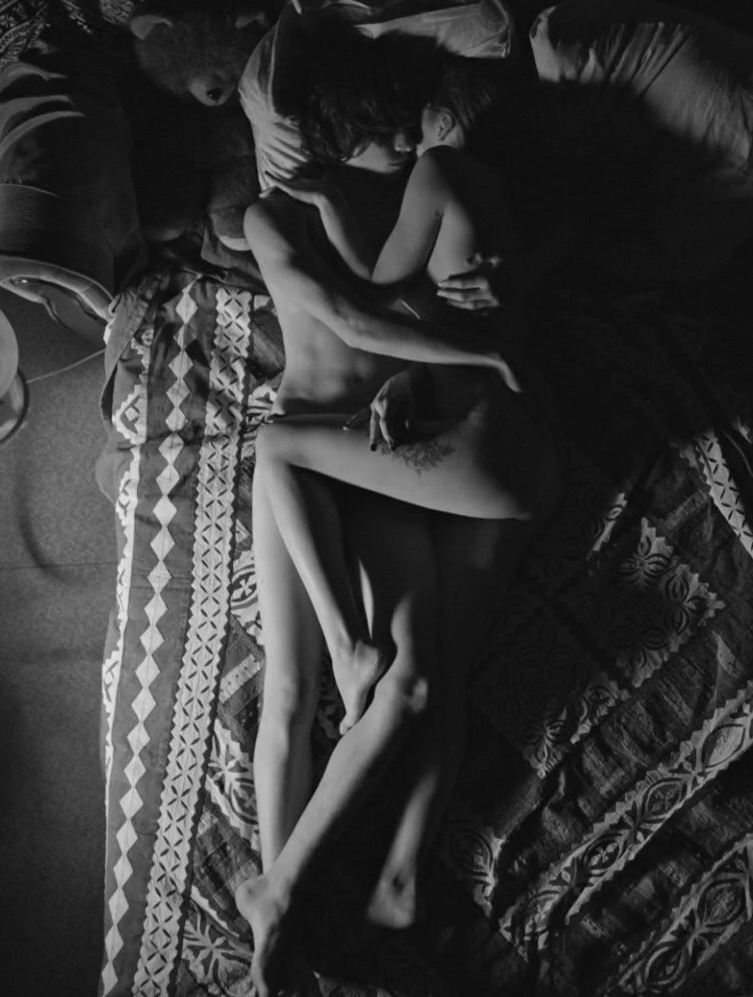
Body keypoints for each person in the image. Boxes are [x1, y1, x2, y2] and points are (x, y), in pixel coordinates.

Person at [234, 22, 560, 997]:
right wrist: (469, 345)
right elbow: (346, 314)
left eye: (418, 122)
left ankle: (295, 894)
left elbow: (443, 305)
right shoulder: (274, 214)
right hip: (327, 443)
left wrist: (478, 321)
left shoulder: (426, 202)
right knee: (295, 687)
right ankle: (284, 907)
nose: (414, 136)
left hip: (380, 461)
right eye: (398, 123)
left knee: (409, 681)